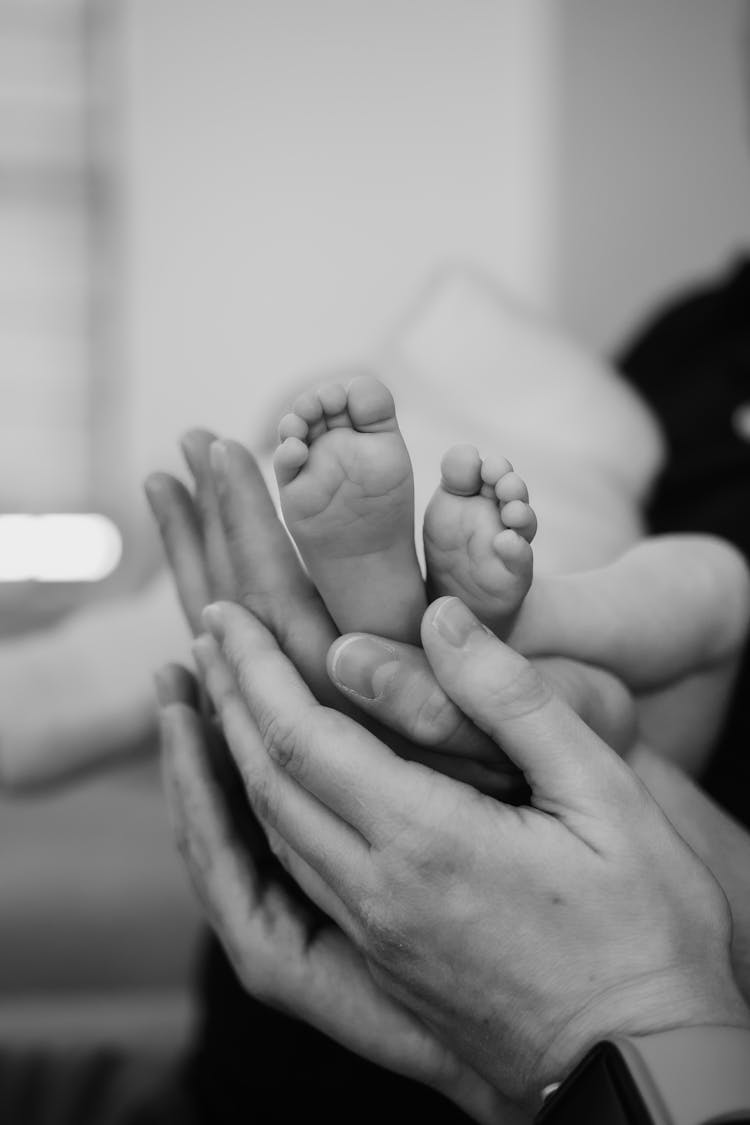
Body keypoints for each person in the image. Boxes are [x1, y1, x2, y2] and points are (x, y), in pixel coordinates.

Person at [146, 431, 750, 1124]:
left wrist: (622, 1014)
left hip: (590, 835)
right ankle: (490, 637)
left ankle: (444, 649)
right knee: (692, 600)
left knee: (680, 615)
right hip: (614, 739)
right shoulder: (693, 349)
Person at [271, 372, 749, 771]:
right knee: (714, 581)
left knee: (717, 581)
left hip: (652, 774)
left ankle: (473, 626)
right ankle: (495, 625)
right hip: (632, 752)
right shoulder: (702, 335)